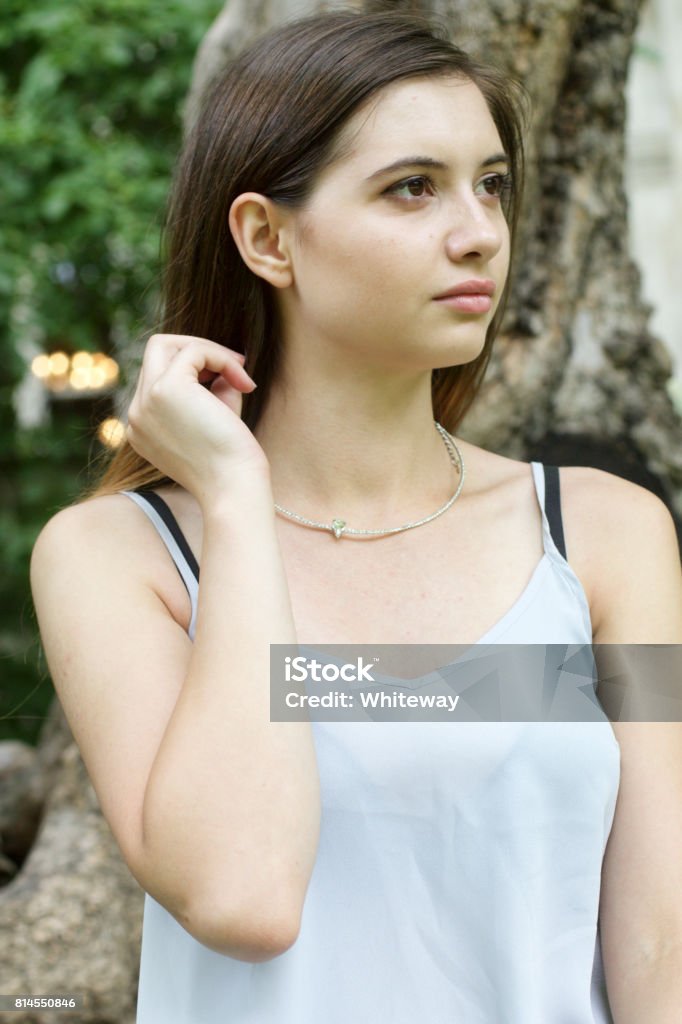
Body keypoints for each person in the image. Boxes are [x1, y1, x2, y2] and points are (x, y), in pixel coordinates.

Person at [29, 10, 682, 1024]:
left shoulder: (608, 536)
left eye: (491, 184)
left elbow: (659, 949)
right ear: (267, 238)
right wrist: (236, 499)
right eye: (412, 187)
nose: (478, 231)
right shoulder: (119, 556)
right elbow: (242, 895)